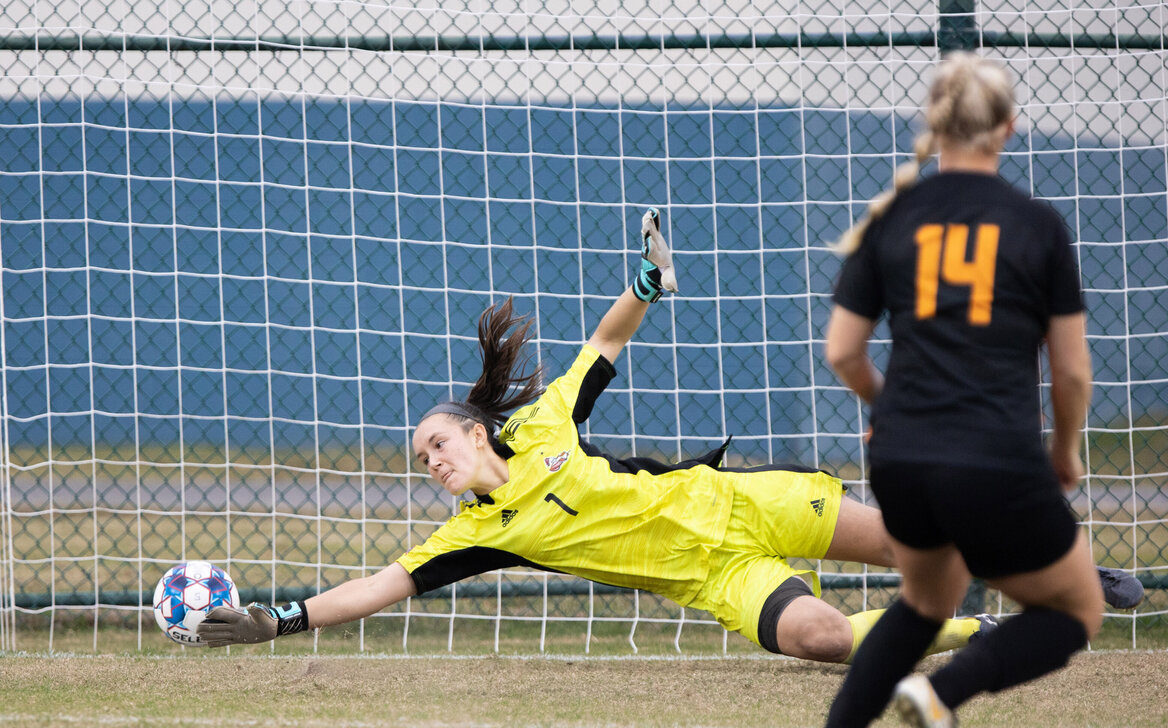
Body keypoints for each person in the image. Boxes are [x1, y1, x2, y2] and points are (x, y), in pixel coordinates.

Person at [196, 208, 994, 664]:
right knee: (822, 641)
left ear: (476, 433)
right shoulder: (475, 535)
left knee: (911, 548)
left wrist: (645, 282)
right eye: (421, 459)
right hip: (715, 578)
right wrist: (281, 618)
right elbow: (377, 588)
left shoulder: (544, 424)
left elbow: (604, 344)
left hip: (742, 503)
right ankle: (991, 630)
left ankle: (1055, 568)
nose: (431, 460)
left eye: (437, 442)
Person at [788, 53, 1108, 728]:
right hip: (992, 454)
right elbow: (1072, 372)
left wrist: (888, 406)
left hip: (900, 458)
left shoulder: (893, 218)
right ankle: (939, 695)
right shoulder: (1037, 226)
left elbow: (842, 352)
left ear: (934, 122)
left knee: (925, 603)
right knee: (1076, 608)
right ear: (1008, 127)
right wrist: (1063, 450)